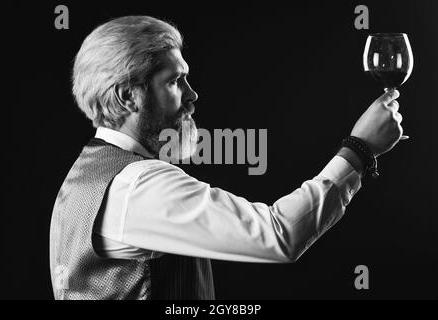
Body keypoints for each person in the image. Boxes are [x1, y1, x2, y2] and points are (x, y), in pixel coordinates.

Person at [49, 15, 407, 300]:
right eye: (175, 81)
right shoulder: (139, 184)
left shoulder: (87, 172)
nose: (193, 95)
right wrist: (359, 149)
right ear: (129, 97)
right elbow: (279, 235)